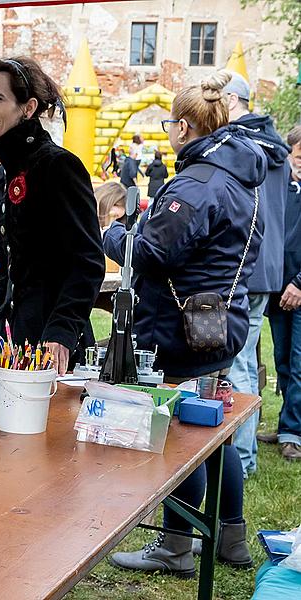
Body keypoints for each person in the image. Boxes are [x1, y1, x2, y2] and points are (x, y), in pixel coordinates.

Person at [105, 72, 266, 576]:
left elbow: (150, 252)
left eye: (171, 123)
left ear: (186, 127)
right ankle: (231, 539)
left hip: (181, 329)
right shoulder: (241, 176)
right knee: (214, 432)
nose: (169, 131)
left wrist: (110, 232)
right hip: (218, 323)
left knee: (182, 433)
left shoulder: (199, 181)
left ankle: (175, 545)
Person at [0, 56, 105, 377]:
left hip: (53, 343)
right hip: (14, 339)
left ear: (28, 108)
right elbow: (10, 266)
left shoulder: (58, 166)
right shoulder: (5, 174)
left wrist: (61, 331)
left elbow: (88, 261)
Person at [218, 72, 291, 476]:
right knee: (244, 359)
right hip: (267, 263)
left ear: (231, 100)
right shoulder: (272, 144)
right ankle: (243, 451)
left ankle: (242, 457)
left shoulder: (242, 144)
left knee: (241, 362)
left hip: (248, 262)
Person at [258, 125, 301, 461]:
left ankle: (293, 432)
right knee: (283, 360)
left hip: (298, 287)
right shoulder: (283, 187)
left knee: (300, 363)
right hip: (278, 286)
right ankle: (288, 423)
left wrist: (299, 283)